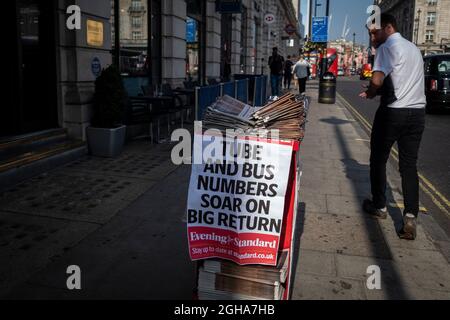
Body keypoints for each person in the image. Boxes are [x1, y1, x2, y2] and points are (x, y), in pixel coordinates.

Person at [359, 14, 426, 240]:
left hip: (393, 112)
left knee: (378, 158)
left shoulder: (387, 48)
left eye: (374, 32)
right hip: (417, 113)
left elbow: (377, 80)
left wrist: (370, 92)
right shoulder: (414, 48)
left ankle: (380, 206)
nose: (372, 37)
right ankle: (409, 217)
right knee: (409, 165)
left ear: (387, 28)